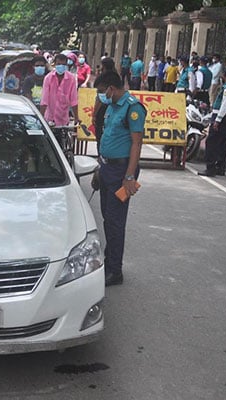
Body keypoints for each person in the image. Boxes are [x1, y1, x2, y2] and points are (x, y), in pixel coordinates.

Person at [93, 71, 145, 286]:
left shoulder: (132, 108)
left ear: (111, 88)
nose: (100, 96)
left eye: (101, 91)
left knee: (115, 222)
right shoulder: (112, 106)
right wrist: (99, 167)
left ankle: (116, 270)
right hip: (107, 168)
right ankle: (109, 261)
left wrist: (129, 177)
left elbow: (136, 144)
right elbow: (107, 136)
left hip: (121, 172)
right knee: (107, 218)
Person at [198, 68, 226, 177]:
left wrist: (217, 120)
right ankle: (220, 167)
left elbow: (225, 105)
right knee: (222, 143)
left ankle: (210, 168)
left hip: (222, 118)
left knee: (211, 142)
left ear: (224, 75)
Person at [40, 53, 79, 126]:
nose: (61, 66)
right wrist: (41, 119)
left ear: (66, 66)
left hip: (63, 119)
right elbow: (44, 100)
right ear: (54, 64)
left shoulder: (71, 79)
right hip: (49, 119)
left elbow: (74, 100)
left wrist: (76, 117)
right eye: (59, 64)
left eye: (63, 64)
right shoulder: (48, 78)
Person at [92, 57, 117, 153]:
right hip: (115, 111)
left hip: (103, 111)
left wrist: (94, 115)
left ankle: (101, 155)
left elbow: (99, 99)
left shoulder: (102, 79)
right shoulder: (117, 77)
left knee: (100, 136)